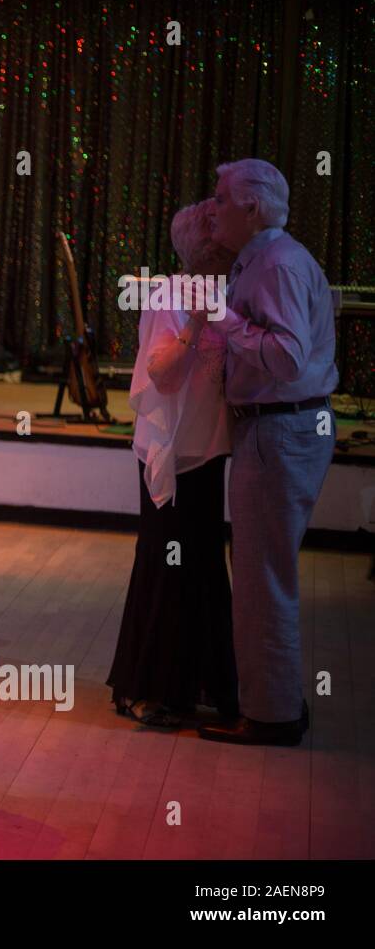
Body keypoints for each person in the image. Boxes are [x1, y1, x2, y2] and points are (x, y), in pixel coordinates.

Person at [197, 159, 338, 747]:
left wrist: (222, 320)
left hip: (280, 431)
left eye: (221, 198)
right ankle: (275, 702)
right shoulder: (270, 259)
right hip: (283, 428)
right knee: (264, 573)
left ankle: (271, 716)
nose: (212, 208)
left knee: (262, 579)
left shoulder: (276, 264)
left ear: (251, 207)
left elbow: (285, 357)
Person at [107, 200, 239, 730]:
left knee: (203, 565)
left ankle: (203, 684)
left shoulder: (227, 291)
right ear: (201, 247)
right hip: (173, 455)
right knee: (168, 565)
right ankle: (150, 688)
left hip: (206, 450)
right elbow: (161, 374)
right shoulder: (170, 294)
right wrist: (200, 324)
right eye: (219, 238)